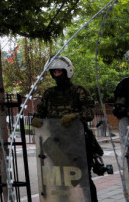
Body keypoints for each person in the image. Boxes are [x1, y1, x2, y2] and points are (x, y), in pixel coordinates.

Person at [32, 56, 105, 201]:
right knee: (59, 182)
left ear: (67, 71)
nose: (56, 74)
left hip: (78, 143)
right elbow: (40, 114)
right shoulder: (49, 93)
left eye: (59, 71)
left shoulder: (79, 91)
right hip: (55, 144)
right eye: (54, 71)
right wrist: (36, 120)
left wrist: (75, 116)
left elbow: (90, 113)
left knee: (83, 180)